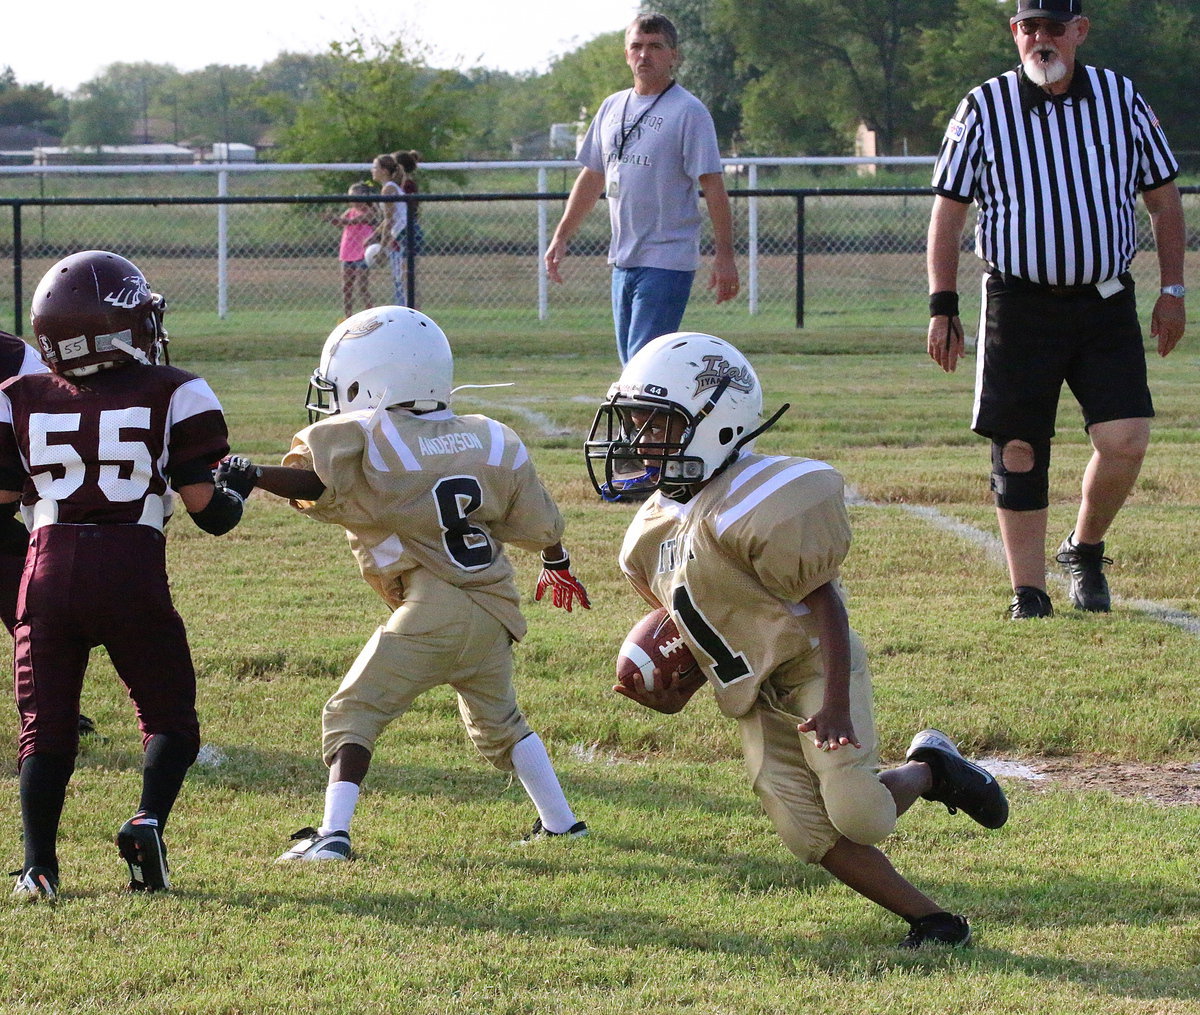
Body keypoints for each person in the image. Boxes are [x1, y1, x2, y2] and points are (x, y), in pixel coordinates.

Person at [585, 331, 1009, 948]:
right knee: (804, 830)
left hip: (814, 668)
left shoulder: (761, 502)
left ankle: (930, 769)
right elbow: (700, 620)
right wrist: (674, 675)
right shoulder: (647, 531)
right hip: (755, 690)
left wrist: (835, 702)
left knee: (859, 814)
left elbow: (827, 606)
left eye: (655, 424)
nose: (635, 441)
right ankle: (935, 921)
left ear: (716, 426)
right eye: (633, 423)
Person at [216, 306, 590, 861]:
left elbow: (317, 483)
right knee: (502, 723)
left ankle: (333, 836)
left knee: (352, 712)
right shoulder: (489, 438)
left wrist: (255, 476)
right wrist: (556, 563)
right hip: (494, 606)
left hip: (431, 609)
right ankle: (562, 824)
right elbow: (537, 522)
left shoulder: (368, 434)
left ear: (371, 376)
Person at [0, 250, 254, 901]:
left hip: (47, 570)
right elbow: (210, 513)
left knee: (45, 725)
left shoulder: (18, 396)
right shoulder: (175, 389)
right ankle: (146, 818)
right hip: (130, 566)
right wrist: (237, 492)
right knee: (169, 716)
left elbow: (3, 500)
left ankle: (39, 867)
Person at [925, 0, 1186, 619]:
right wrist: (942, 305)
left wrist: (1172, 291)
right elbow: (949, 212)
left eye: (1054, 27)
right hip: (1018, 302)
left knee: (1125, 438)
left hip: (1104, 300)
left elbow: (1165, 202)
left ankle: (1085, 548)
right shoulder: (983, 107)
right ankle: (1029, 592)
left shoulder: (1121, 98)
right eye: (1029, 26)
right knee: (1019, 445)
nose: (1041, 38)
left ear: (1079, 32)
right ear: (1015, 32)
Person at [544, 12, 739, 365]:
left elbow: (713, 186)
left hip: (666, 258)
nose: (644, 55)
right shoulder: (611, 107)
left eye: (655, 46)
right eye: (637, 46)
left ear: (673, 55)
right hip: (623, 258)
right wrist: (562, 235)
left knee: (643, 365)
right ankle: (648, 422)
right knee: (632, 365)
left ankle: (644, 422)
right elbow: (592, 177)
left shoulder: (688, 111)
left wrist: (725, 255)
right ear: (626, 53)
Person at [370, 152, 419, 306]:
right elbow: (388, 220)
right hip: (403, 233)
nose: (372, 170)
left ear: (384, 171)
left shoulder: (389, 189)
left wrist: (382, 248)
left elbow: (389, 220)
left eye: (375, 167)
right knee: (402, 278)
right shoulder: (389, 187)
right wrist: (373, 236)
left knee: (405, 279)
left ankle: (413, 313)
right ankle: (408, 309)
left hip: (407, 233)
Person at [331, 182, 376, 319]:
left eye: (356, 196)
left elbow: (355, 221)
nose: (353, 200)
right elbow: (341, 222)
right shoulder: (350, 212)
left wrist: (340, 220)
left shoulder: (370, 212)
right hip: (348, 251)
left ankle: (371, 316)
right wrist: (333, 219)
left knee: (362, 286)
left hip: (362, 252)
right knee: (347, 287)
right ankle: (348, 316)